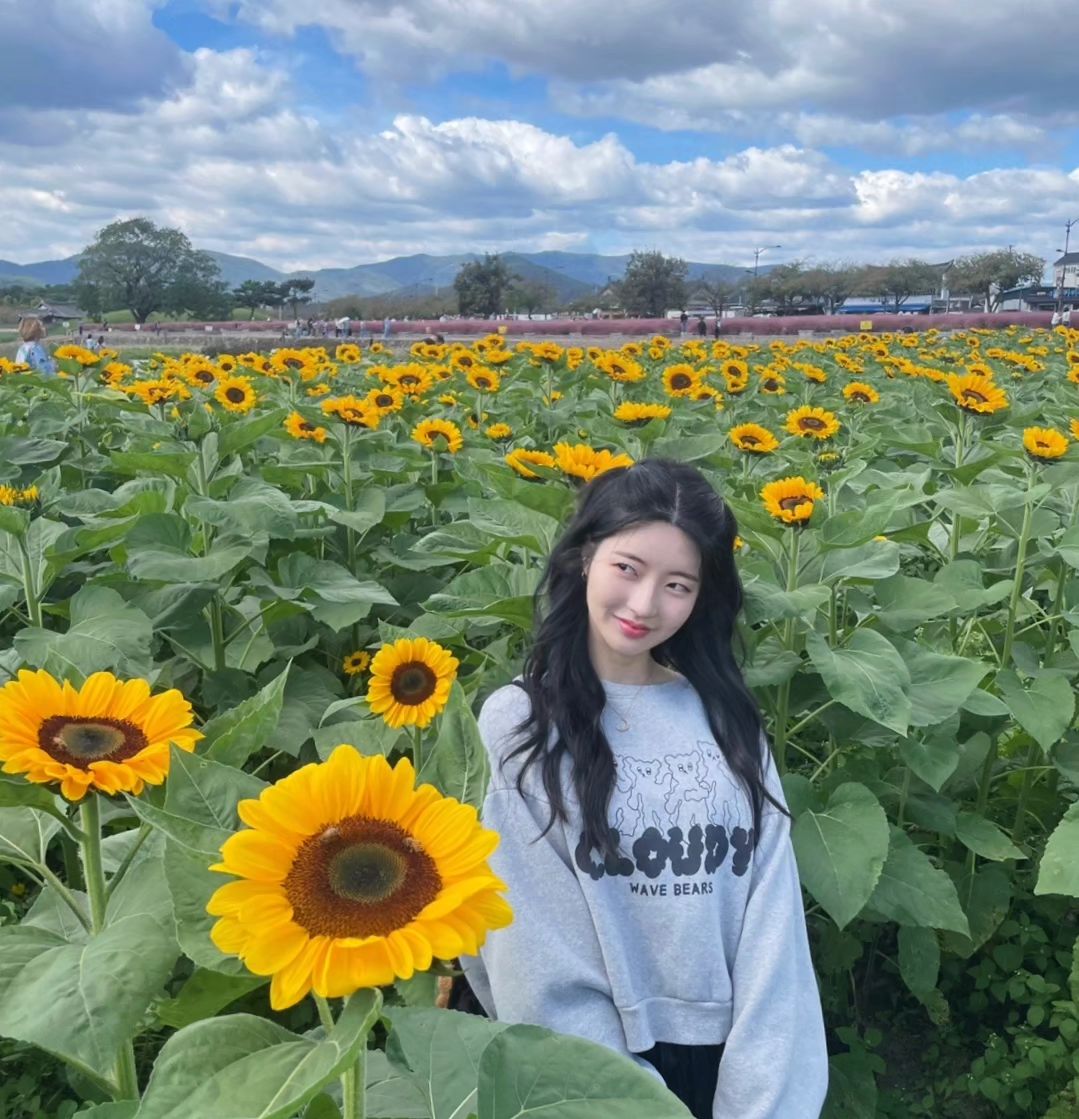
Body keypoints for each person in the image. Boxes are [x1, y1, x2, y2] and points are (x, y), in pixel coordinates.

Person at [458, 459, 828, 1119]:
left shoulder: (726, 717)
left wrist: (764, 1101)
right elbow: (531, 953)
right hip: (585, 1069)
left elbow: (773, 926)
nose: (644, 604)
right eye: (627, 567)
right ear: (585, 556)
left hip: (735, 1057)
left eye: (677, 584)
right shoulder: (521, 723)